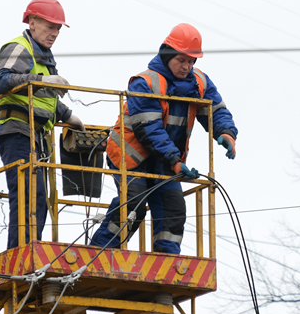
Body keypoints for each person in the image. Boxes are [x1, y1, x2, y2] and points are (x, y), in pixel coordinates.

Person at [90, 23, 237, 255]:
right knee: (133, 205)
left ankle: (167, 260)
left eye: (191, 61)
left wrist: (226, 132)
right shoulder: (145, 83)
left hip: (166, 161)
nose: (186, 66)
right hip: (130, 156)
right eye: (181, 60)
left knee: (173, 208)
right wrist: (175, 161)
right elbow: (150, 130)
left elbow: (216, 109)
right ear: (168, 54)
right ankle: (98, 253)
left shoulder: (199, 82)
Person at [0, 0, 84, 250]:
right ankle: (20, 257)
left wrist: (68, 116)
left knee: (39, 199)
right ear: (32, 22)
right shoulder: (20, 47)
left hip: (36, 135)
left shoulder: (44, 57)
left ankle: (30, 250)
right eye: (49, 26)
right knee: (28, 195)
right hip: (17, 131)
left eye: (57, 28)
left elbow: (43, 99)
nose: (54, 33)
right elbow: (0, 81)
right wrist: (42, 81)